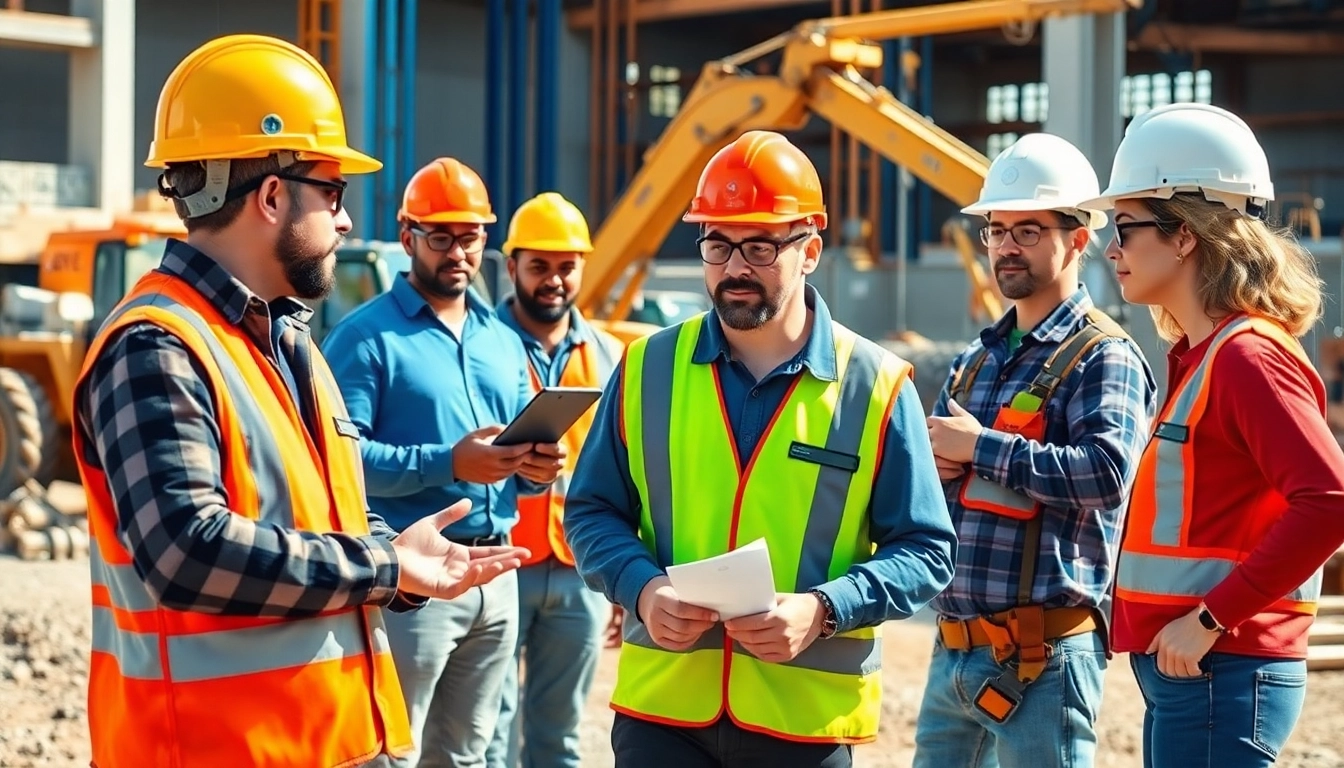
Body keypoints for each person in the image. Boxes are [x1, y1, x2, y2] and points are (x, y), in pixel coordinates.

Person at [74, 35, 529, 768]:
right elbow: (187, 549)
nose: (347, 222)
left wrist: (405, 562)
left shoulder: (287, 342)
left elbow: (324, 515)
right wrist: (383, 566)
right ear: (273, 196)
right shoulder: (156, 346)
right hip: (211, 751)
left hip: (328, 744)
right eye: (335, 195)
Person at [563, 129, 958, 768]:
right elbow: (590, 512)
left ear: (811, 251)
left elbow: (927, 549)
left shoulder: (876, 386)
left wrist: (825, 610)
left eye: (759, 246)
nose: (735, 267)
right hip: (663, 716)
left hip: (804, 722)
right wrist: (642, 590)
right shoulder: (644, 369)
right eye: (717, 245)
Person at [1082, 102, 1344, 768]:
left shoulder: (1246, 358)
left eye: (1126, 226)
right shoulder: (1203, 355)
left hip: (1220, 668)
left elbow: (1329, 501)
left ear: (1184, 236)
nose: (1111, 248)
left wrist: (1209, 619)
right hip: (1200, 671)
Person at [915, 132, 1158, 768]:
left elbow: (1107, 475)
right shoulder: (976, 359)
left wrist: (980, 448)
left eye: (1028, 231)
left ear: (1078, 239)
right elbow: (940, 485)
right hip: (954, 653)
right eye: (997, 230)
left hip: (1043, 660)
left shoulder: (1104, 355)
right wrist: (936, 466)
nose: (1005, 248)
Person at [322, 158, 565, 768]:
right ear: (408, 238)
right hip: (412, 579)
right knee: (389, 754)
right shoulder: (364, 338)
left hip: (495, 573)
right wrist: (449, 462)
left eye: (471, 236)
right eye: (441, 237)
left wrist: (534, 470)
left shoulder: (502, 339)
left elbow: (507, 458)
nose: (458, 251)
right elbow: (340, 462)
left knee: (466, 757)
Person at [486, 192, 626, 768]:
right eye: (539, 265)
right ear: (512, 264)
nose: (554, 280)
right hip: (499, 561)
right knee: (489, 728)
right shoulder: (478, 345)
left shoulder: (612, 355)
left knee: (560, 735)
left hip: (579, 571)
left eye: (566, 266)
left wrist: (622, 576)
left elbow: (625, 473)